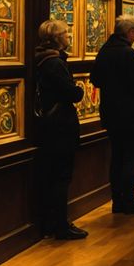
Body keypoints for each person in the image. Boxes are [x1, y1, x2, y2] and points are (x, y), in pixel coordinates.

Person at [90, 15, 134, 214]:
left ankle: (117, 199)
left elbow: (96, 79)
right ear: (130, 32)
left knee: (117, 157)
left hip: (111, 112)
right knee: (130, 158)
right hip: (130, 113)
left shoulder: (105, 50)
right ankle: (128, 200)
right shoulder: (127, 53)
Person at [35, 20, 87, 239]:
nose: (69, 36)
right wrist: (77, 89)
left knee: (52, 176)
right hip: (59, 128)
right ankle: (60, 225)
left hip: (50, 127)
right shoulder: (54, 63)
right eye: (66, 33)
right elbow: (71, 93)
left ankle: (52, 222)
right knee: (61, 177)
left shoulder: (41, 59)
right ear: (56, 38)